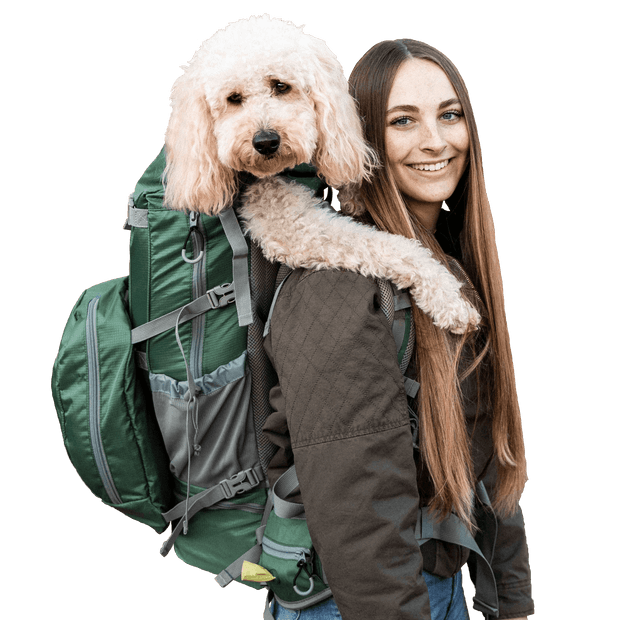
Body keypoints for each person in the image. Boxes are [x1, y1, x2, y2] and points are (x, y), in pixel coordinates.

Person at [262, 38, 534, 620]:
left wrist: (511, 605)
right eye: (403, 121)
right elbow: (359, 514)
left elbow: (485, 458)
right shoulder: (339, 284)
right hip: (359, 602)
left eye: (450, 114)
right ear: (362, 139)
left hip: (434, 587)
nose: (435, 141)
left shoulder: (445, 269)